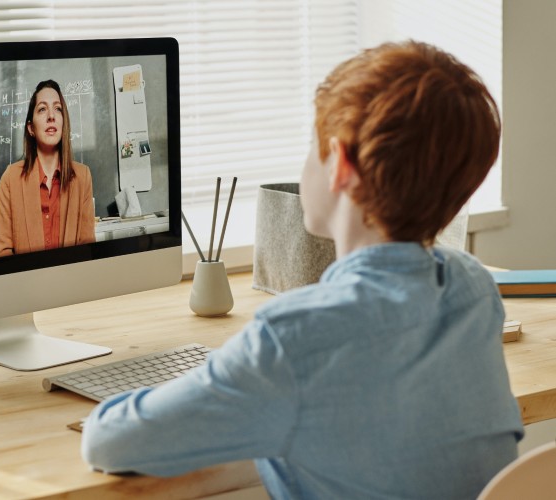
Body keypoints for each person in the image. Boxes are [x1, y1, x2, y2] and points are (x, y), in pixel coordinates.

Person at [80, 41, 524, 499]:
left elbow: (108, 441)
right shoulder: (470, 287)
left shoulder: (295, 337)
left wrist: (220, 382)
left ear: (342, 166)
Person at [0, 80, 95, 258]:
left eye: (58, 109)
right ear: (31, 128)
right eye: (42, 109)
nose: (51, 116)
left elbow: (87, 249)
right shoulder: (11, 178)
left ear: (63, 122)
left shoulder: (82, 177)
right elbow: (1, 252)